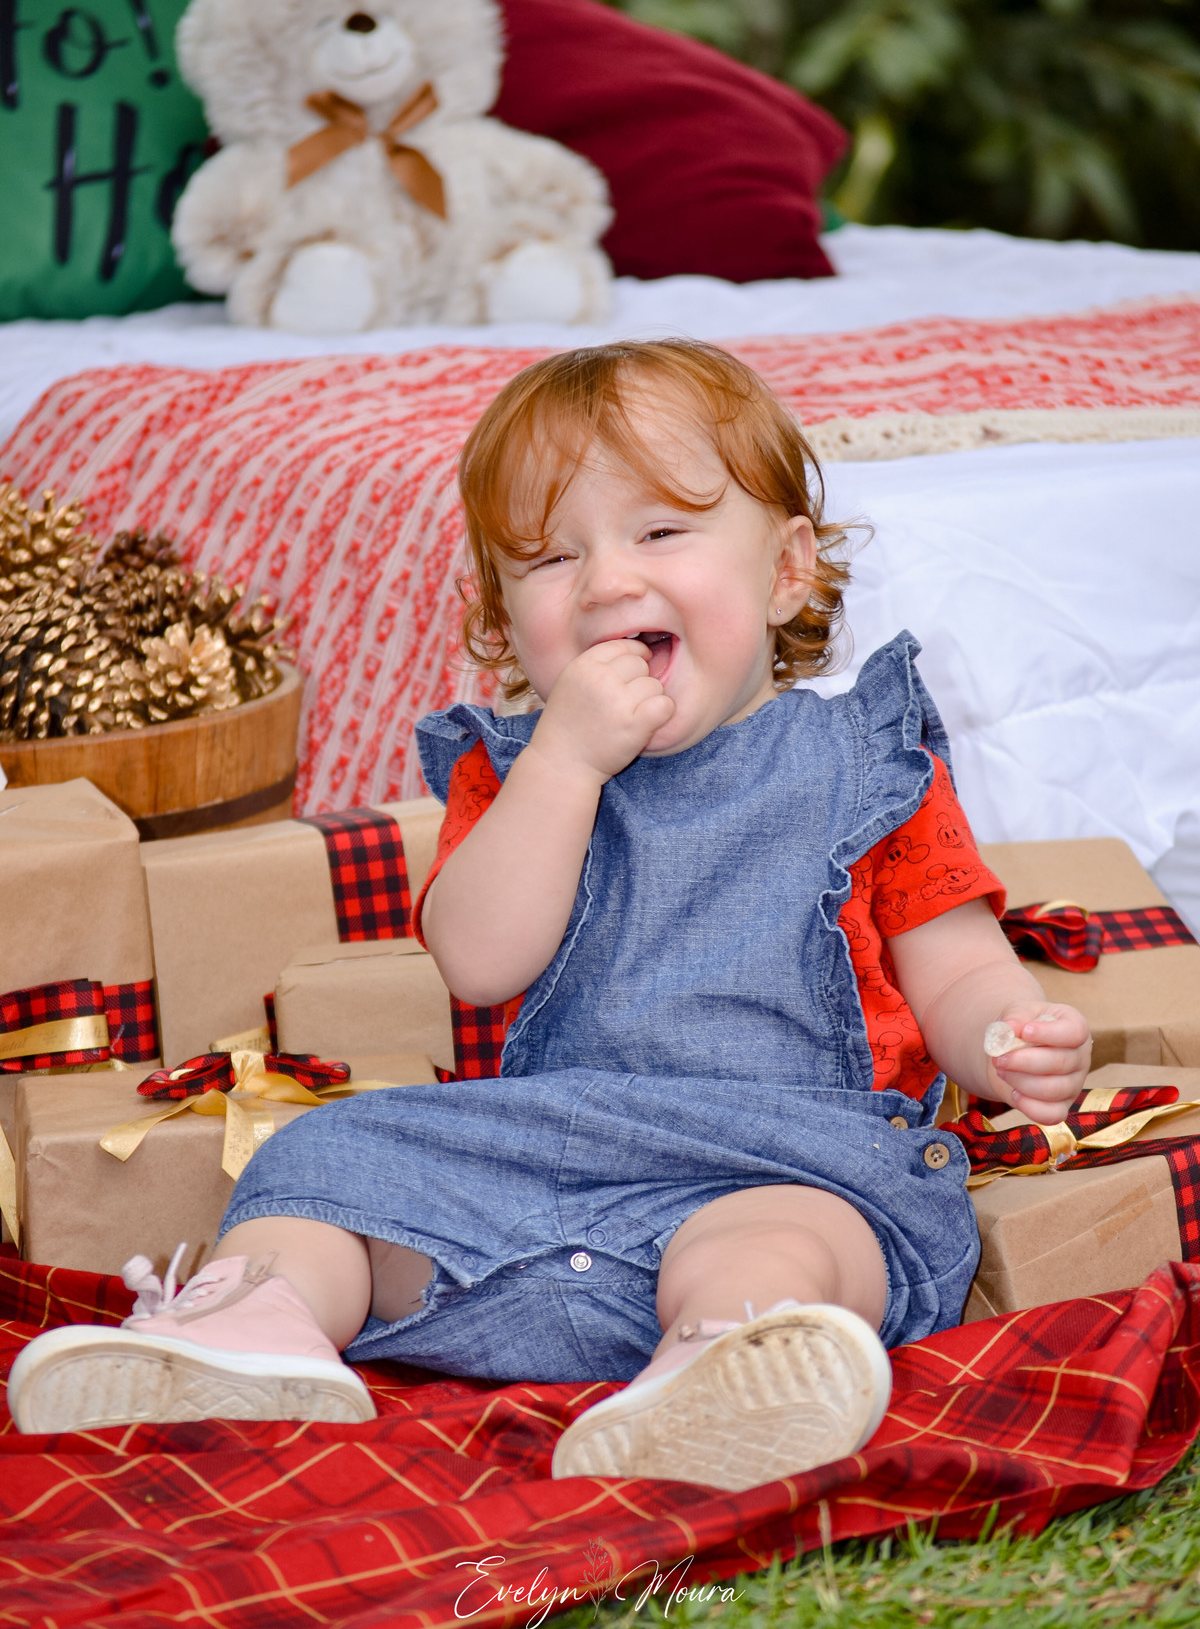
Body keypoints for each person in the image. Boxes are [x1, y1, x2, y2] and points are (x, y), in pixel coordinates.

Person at [8, 341, 1092, 1490]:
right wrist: (568, 764)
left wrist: (1007, 1036)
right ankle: (247, 1334)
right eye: (550, 557)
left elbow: (959, 965)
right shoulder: (518, 774)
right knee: (322, 1161)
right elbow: (480, 962)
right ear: (504, 620)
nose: (607, 580)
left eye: (662, 532)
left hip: (778, 1157)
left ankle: (723, 1365)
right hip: (539, 1172)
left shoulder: (862, 763)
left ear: (785, 574)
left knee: (789, 1238)